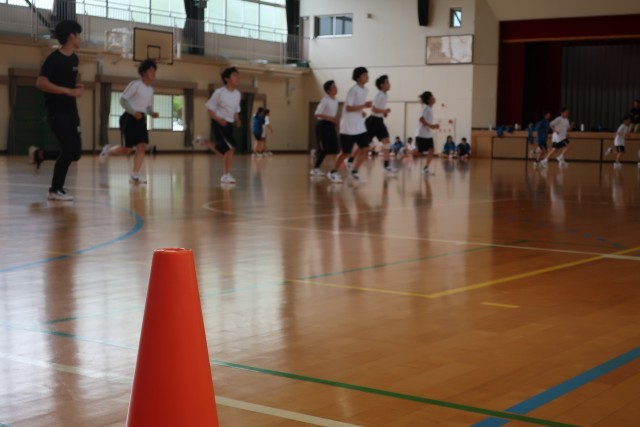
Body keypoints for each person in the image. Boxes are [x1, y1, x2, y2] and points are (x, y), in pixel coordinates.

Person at [29, 20, 83, 201]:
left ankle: (40, 155)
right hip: (56, 111)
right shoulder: (53, 59)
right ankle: (55, 190)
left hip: (71, 110)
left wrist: (78, 86)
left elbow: (73, 80)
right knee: (68, 150)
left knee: (75, 153)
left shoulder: (75, 59)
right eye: (79, 35)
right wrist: (67, 91)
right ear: (71, 36)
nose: (80, 38)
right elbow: (40, 83)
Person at [99, 59, 159, 183]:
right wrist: (133, 112)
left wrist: (152, 113)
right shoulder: (135, 85)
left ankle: (134, 174)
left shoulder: (151, 90)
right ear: (143, 72)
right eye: (151, 70)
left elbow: (147, 107)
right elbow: (122, 100)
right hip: (129, 118)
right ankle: (107, 151)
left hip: (141, 119)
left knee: (142, 147)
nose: (153, 73)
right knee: (127, 149)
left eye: (154, 71)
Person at [195, 66, 242, 184]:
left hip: (229, 124)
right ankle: (226, 176)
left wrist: (237, 119)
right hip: (219, 123)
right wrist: (219, 119)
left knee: (223, 152)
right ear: (227, 79)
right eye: (234, 75)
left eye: (237, 75)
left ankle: (205, 142)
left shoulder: (237, 94)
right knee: (231, 148)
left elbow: (235, 110)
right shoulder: (219, 92)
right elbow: (209, 108)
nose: (237, 78)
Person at [330, 66, 372, 182]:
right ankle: (333, 172)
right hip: (348, 127)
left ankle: (355, 171)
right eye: (364, 75)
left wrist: (361, 111)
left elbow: (356, 105)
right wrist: (364, 106)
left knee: (365, 148)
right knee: (345, 153)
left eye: (367, 74)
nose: (367, 76)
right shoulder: (353, 90)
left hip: (359, 126)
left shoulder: (365, 90)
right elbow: (348, 107)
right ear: (358, 78)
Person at [364, 75, 397, 173]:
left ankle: (387, 166)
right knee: (363, 145)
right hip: (373, 121)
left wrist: (384, 113)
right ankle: (350, 159)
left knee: (386, 142)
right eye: (387, 82)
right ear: (381, 85)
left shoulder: (385, 95)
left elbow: (378, 110)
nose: (389, 84)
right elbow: (373, 109)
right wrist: (384, 111)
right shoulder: (379, 95)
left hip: (379, 121)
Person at [310, 80, 339, 179]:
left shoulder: (335, 100)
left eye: (335, 86)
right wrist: (330, 118)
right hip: (322, 125)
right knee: (324, 149)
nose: (336, 88)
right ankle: (315, 169)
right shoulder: (325, 100)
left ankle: (332, 170)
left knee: (334, 149)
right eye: (333, 87)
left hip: (330, 125)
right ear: (328, 90)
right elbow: (317, 114)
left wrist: (334, 122)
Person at [416, 91, 439, 175]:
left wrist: (432, 126)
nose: (434, 98)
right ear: (429, 100)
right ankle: (404, 154)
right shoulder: (425, 108)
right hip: (421, 134)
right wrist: (431, 126)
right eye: (432, 97)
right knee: (418, 153)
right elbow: (421, 119)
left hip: (428, 134)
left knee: (431, 151)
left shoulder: (429, 108)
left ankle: (426, 168)